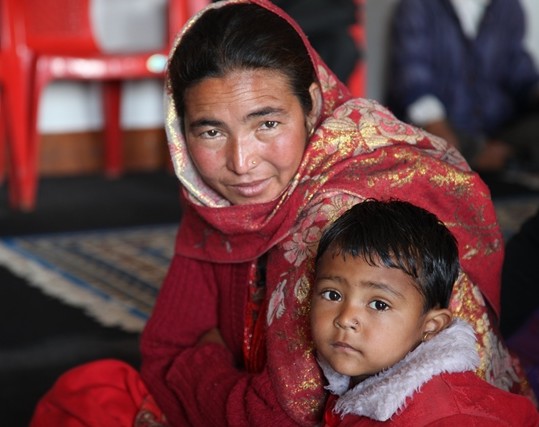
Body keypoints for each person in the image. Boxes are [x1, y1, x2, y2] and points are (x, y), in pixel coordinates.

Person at [30, 1, 535, 426]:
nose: (240, 162)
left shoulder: (346, 212)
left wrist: (201, 363)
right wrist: (212, 376)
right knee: (89, 393)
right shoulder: (212, 196)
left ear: (311, 106)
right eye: (210, 131)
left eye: (266, 123)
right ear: (181, 130)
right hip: (237, 397)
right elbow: (163, 351)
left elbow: (280, 414)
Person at [311, 199, 539, 425]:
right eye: (332, 295)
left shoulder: (450, 418)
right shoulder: (358, 379)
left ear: (431, 326)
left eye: (379, 305)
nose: (345, 318)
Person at [386, 0, 539, 173]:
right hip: (446, 130)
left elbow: (520, 73)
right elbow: (412, 80)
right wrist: (440, 133)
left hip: (499, 130)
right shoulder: (419, 6)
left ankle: (501, 159)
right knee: (432, 144)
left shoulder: (508, 7)